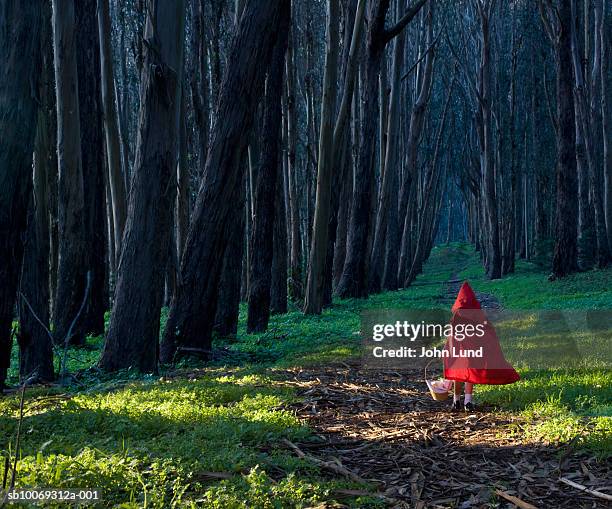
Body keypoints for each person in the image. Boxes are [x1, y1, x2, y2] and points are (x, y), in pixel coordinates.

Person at [443, 281, 520, 412]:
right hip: (473, 351)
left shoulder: (456, 316)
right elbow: (487, 330)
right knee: (470, 376)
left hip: (459, 352)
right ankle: (467, 401)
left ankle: (456, 401)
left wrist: (447, 351)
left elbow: (451, 336)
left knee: (458, 376)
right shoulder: (478, 315)